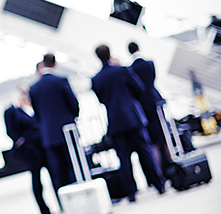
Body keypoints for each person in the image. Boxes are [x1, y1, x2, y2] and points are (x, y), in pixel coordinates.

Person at [91, 45, 165, 202]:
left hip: (115, 122)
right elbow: (139, 88)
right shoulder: (122, 70)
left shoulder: (96, 79)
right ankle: (158, 185)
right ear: (110, 54)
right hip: (132, 118)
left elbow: (101, 100)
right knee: (145, 152)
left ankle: (131, 193)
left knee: (123, 159)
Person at [29, 54, 79, 202]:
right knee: (74, 165)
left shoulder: (34, 88)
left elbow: (37, 113)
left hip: (49, 135)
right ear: (55, 64)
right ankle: (79, 197)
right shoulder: (61, 81)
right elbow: (73, 104)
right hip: (67, 130)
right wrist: (73, 117)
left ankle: (65, 202)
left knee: (58, 171)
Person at [4, 85, 51, 214]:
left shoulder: (34, 105)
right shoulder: (12, 110)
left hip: (43, 145)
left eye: (27, 92)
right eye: (23, 92)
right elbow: (11, 131)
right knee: (36, 178)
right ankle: (43, 208)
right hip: (30, 149)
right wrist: (23, 143)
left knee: (54, 174)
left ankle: (62, 203)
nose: (25, 94)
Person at [128, 42, 166, 187]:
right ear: (139, 48)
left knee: (151, 141)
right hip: (155, 101)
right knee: (163, 136)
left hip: (142, 105)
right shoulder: (149, 63)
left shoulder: (130, 69)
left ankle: (158, 173)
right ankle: (169, 168)